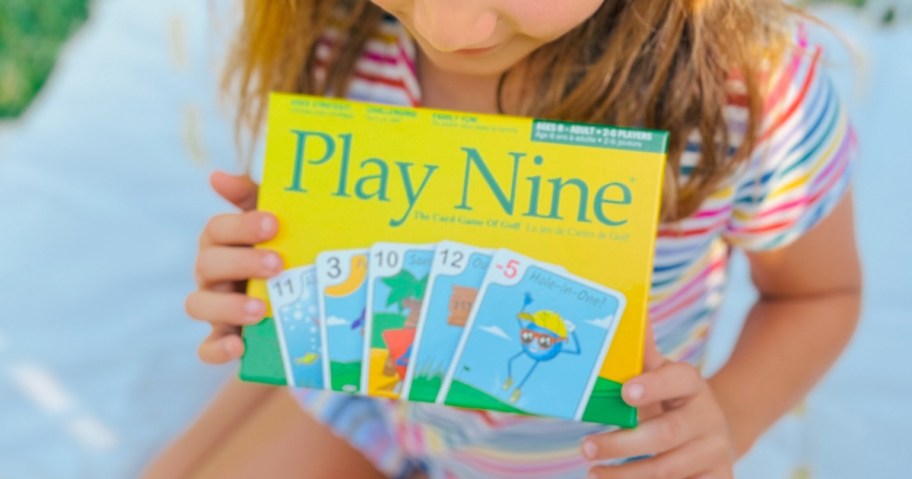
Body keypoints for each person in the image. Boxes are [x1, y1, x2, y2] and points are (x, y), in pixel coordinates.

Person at [146, 0, 861, 477]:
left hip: (607, 460)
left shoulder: (754, 95)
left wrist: (726, 418)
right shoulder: (339, 33)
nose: (454, 27)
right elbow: (330, 248)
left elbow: (819, 293)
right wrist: (260, 277)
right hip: (387, 419)